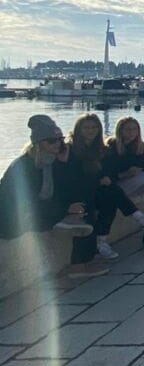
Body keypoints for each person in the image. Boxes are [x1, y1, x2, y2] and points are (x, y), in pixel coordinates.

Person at [0, 115, 109, 279]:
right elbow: (26, 203)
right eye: (52, 141)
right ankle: (77, 265)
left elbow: (72, 184)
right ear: (38, 143)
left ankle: (84, 260)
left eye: (60, 140)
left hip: (40, 210)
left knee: (86, 204)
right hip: (13, 219)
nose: (58, 144)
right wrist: (65, 209)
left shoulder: (50, 160)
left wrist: (66, 163)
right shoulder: (25, 166)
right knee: (83, 216)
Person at [69, 113, 144, 258]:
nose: (91, 131)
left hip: (100, 190)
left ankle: (102, 242)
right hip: (80, 193)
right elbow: (74, 176)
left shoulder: (100, 149)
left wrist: (106, 178)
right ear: (79, 130)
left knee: (110, 196)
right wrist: (101, 180)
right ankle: (142, 219)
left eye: (94, 127)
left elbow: (107, 170)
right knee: (111, 192)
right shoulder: (71, 149)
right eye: (86, 128)